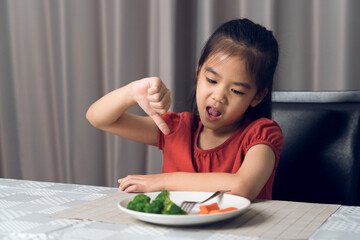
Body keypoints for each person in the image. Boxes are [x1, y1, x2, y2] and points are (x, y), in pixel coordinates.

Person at [86, 18, 283, 201]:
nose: (219, 96)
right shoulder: (176, 129)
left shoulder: (262, 134)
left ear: (257, 96)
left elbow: (243, 187)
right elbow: (98, 118)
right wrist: (132, 92)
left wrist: (163, 182)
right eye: (212, 80)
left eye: (236, 91)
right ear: (198, 72)